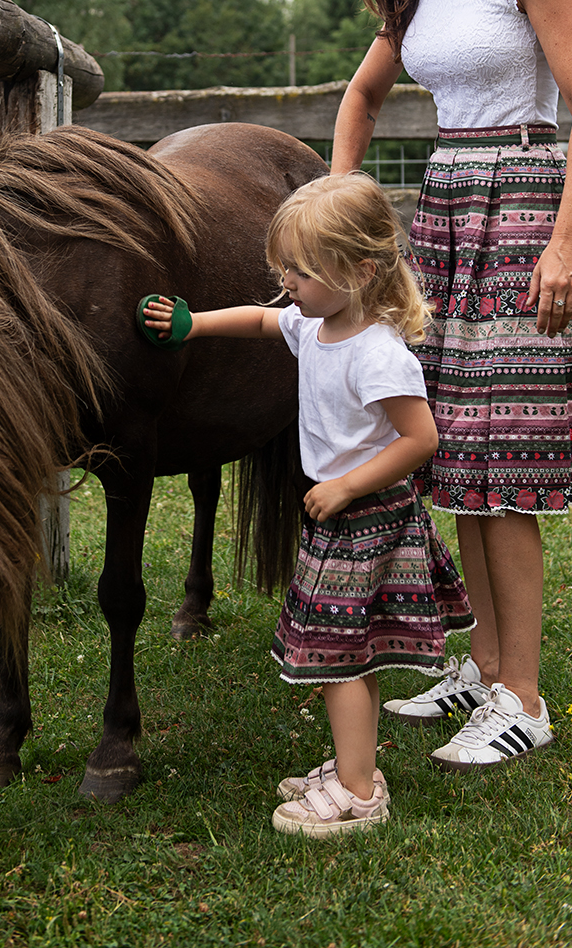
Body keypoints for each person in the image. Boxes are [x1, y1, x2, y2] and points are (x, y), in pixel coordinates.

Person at [329, 0, 572, 770]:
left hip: (525, 205)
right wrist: (338, 199)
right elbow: (363, 94)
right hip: (451, 212)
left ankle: (523, 700)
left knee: (504, 462)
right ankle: (487, 665)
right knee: (454, 448)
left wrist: (567, 241)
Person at [142, 172, 475, 837]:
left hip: (367, 519)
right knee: (339, 655)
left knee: (339, 656)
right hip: (337, 517)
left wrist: (349, 485)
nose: (286, 282)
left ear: (360, 269)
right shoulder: (316, 324)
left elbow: (421, 439)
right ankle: (356, 765)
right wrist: (193, 324)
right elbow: (264, 319)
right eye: (283, 268)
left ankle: (358, 794)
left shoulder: (379, 356)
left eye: (300, 270)